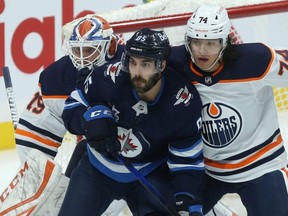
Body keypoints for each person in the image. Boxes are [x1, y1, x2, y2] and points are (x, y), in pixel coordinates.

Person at [60, 28, 204, 216]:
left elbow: (187, 160)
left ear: (162, 65)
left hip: (147, 176)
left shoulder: (182, 100)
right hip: (96, 170)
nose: (136, 72)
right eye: (133, 63)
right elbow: (72, 107)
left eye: (145, 65)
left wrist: (187, 201)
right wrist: (89, 119)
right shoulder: (109, 77)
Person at [170, 5, 288, 216]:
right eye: (196, 42)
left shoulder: (256, 61)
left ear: (225, 42)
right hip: (207, 169)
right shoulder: (176, 63)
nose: (201, 51)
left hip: (260, 166)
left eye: (210, 43)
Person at [9, 15, 128, 215]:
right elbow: (31, 137)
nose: (82, 58)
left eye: (90, 50)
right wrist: (45, 186)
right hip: (92, 155)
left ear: (111, 47)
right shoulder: (58, 78)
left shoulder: (134, 66)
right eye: (76, 50)